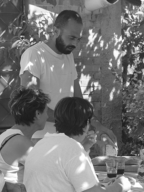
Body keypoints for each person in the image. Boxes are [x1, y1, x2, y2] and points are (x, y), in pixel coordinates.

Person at [19, 10, 117, 150]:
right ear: (55, 30)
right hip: (40, 138)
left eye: (78, 39)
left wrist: (95, 124)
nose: (75, 44)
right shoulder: (34, 54)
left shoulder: (68, 56)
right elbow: (31, 103)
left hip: (67, 137)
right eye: (71, 38)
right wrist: (69, 122)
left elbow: (78, 99)